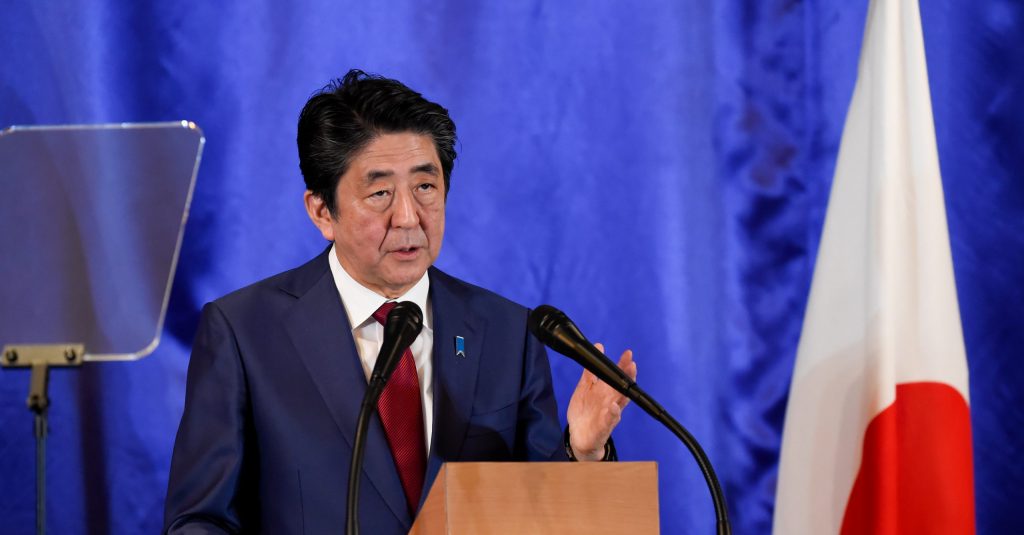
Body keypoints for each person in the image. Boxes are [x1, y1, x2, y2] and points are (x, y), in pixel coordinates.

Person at [163, 69, 637, 534]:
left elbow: (545, 512)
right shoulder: (245, 333)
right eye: (380, 193)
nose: (409, 216)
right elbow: (198, 521)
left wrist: (583, 451)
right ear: (322, 211)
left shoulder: (509, 332)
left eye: (425, 187)